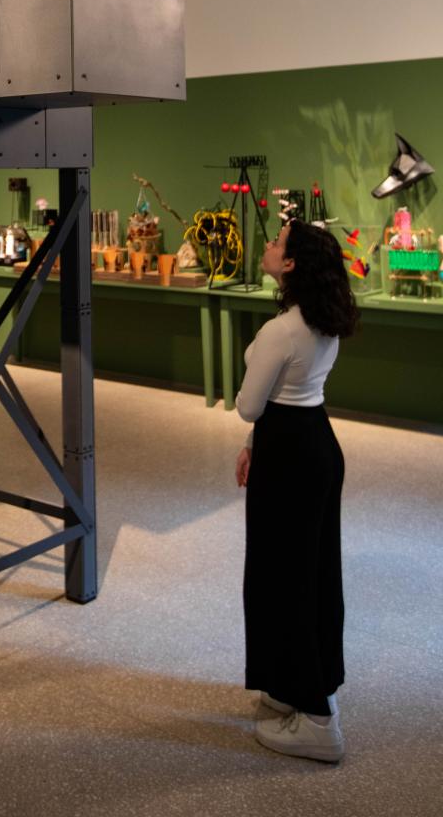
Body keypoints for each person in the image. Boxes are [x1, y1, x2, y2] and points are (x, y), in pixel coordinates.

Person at [234, 219, 356, 763]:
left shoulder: (281, 331)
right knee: (308, 571)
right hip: (312, 444)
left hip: (289, 455)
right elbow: (294, 398)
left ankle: (317, 720)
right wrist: (255, 445)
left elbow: (249, 405)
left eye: (278, 242)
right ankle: (293, 685)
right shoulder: (319, 318)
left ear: (289, 266)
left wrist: (254, 435)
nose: (268, 244)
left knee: (284, 576)